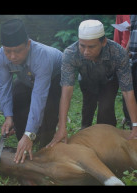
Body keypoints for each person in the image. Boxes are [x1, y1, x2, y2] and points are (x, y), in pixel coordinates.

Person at [47, 19, 137, 148]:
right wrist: (62, 127)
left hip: (109, 81)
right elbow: (66, 92)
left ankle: (107, 139)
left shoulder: (118, 53)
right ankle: (85, 132)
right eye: (82, 46)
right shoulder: (70, 54)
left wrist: (135, 125)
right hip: (86, 80)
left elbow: (128, 91)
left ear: (103, 42)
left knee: (105, 110)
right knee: (88, 107)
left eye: (91, 47)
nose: (86, 52)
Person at [0, 19, 62, 164]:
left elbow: (39, 97)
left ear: (28, 44)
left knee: (49, 107)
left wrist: (30, 133)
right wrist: (8, 116)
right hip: (27, 78)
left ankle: (45, 143)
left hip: (55, 77)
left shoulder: (42, 56)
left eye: (18, 51)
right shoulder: (1, 55)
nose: (12, 56)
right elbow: (4, 87)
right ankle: (23, 139)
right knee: (17, 96)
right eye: (8, 51)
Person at [113, 15, 131, 128]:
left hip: (132, 49)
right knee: (127, 87)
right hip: (126, 52)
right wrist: (118, 54)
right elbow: (118, 33)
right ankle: (129, 119)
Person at [122, 15, 137, 129]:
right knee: (132, 91)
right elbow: (132, 35)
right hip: (133, 57)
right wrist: (125, 52)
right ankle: (133, 125)